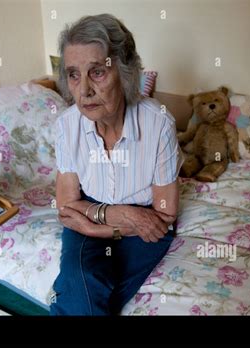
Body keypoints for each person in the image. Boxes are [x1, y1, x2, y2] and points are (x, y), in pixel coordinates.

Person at [50, 13, 183, 315]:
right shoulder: (66, 126)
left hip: (146, 224)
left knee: (84, 297)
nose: (83, 90)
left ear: (124, 73)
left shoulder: (158, 123)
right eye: (73, 75)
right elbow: (67, 205)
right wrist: (115, 217)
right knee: (82, 278)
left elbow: (164, 215)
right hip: (93, 210)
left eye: (97, 72)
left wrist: (95, 227)